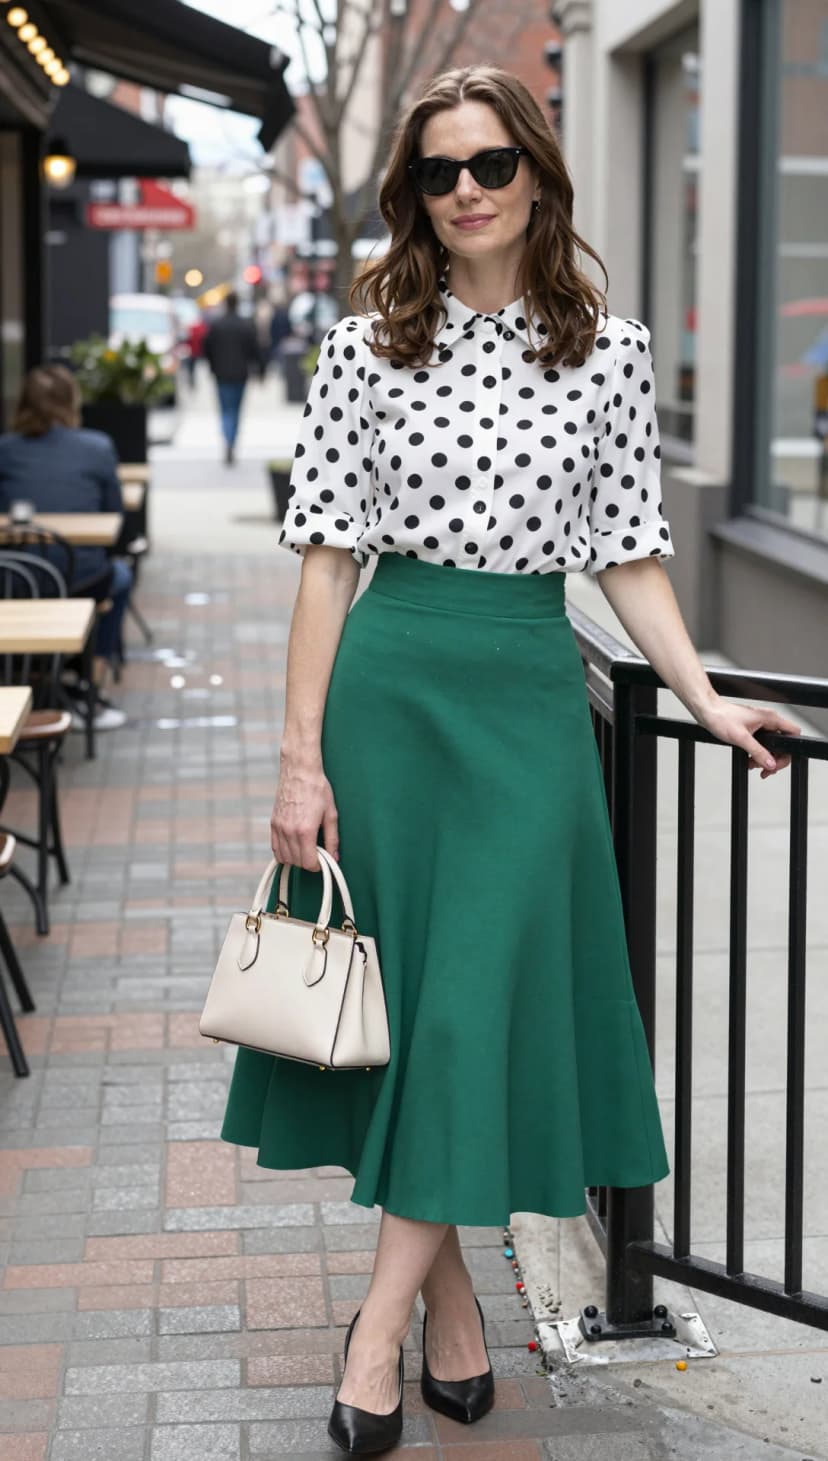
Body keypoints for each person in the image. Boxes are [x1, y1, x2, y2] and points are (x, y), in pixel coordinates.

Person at [218, 65, 800, 1455]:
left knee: (469, 1010)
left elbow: (631, 556)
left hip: (530, 706)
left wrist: (708, 696)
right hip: (392, 695)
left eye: (491, 164)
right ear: (412, 194)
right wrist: (298, 762)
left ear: (538, 172)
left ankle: (376, 1332)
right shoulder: (367, 346)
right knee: (423, 1012)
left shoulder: (612, 349)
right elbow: (324, 564)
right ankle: (447, 1309)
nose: (468, 190)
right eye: (440, 172)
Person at [0, 365, 132, 732]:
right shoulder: (97, 446)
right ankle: (91, 683)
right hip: (81, 578)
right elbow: (116, 515)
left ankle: (31, 678)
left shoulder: (5, 450)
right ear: (71, 401)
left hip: (14, 580)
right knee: (121, 577)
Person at [203, 290, 262, 464]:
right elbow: (255, 350)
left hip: (221, 374)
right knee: (235, 410)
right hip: (240, 374)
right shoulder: (245, 325)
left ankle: (228, 439)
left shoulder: (217, 325)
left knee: (225, 409)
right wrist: (260, 370)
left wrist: (212, 366)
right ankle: (231, 440)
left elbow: (207, 348)